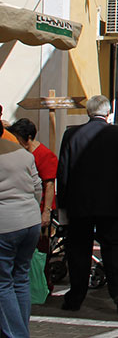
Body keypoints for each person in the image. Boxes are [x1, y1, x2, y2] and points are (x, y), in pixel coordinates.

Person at [56, 95, 118, 313]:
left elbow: (63, 172)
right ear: (108, 112)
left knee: (78, 249)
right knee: (114, 248)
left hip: (79, 203)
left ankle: (76, 297)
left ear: (88, 112)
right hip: (111, 204)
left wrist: (62, 204)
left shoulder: (72, 134)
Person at [0, 121, 42, 338]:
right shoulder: (23, 153)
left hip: (5, 223)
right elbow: (37, 187)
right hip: (30, 220)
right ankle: (21, 329)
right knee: (21, 278)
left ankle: (17, 334)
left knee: (3, 284)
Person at [9, 118, 56, 229]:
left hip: (40, 208)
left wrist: (46, 212)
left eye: (18, 138)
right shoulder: (21, 153)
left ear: (28, 138)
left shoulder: (44, 155)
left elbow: (49, 185)